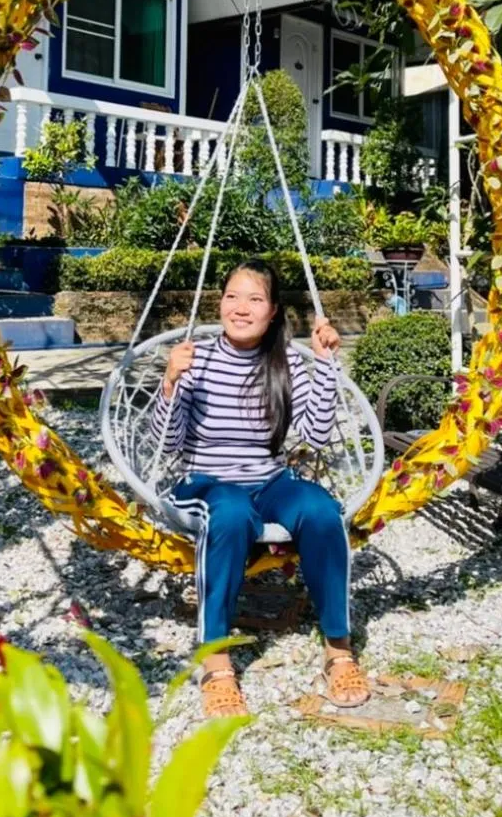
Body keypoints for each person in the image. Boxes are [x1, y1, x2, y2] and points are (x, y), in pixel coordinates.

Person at [151, 259, 371, 718]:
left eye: (255, 299)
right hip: (206, 481)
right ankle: (215, 661)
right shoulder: (198, 357)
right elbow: (165, 444)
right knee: (229, 513)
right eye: (232, 296)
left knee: (319, 509)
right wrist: (171, 381)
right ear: (220, 303)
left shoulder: (288, 360)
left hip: (270, 479)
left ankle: (339, 648)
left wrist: (327, 365)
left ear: (273, 312)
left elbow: (315, 435)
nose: (241, 308)